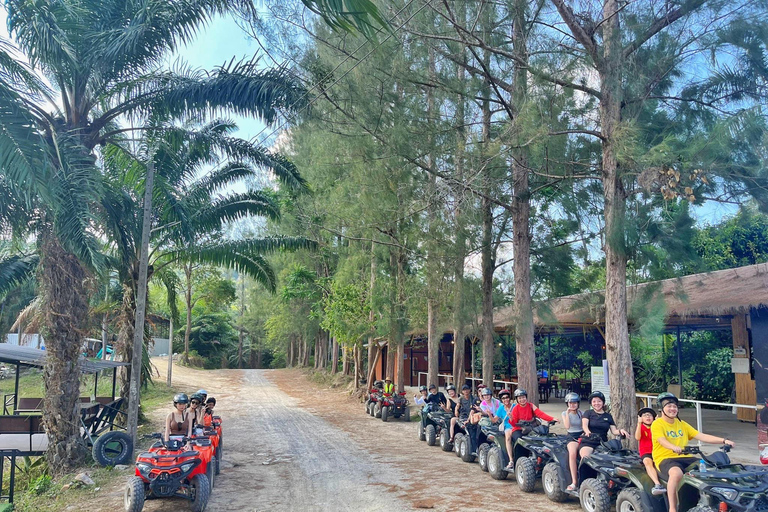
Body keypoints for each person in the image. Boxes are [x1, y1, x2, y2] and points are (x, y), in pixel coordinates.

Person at [652, 392, 735, 512]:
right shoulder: (657, 424)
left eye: (674, 406)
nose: (672, 409)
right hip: (665, 458)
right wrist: (673, 447)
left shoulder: (681, 424)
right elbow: (661, 440)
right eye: (669, 406)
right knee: (676, 474)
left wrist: (723, 440)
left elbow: (700, 435)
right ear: (662, 409)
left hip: (685, 457)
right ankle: (673, 508)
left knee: (709, 468)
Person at [571, 391, 629, 490]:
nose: (596, 403)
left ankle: (608, 483)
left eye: (599, 401)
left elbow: (614, 431)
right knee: (586, 457)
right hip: (589, 441)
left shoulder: (608, 416)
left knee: (611, 460)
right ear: (591, 403)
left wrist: (621, 431)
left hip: (603, 443)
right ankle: (582, 482)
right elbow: (584, 425)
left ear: (603, 403)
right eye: (594, 401)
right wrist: (588, 432)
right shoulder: (588, 413)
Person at [508, 388, 558, 470]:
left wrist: (552, 418)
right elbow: (514, 424)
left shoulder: (530, 405)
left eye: (523, 397)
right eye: (519, 398)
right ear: (517, 399)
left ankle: (540, 460)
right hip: (519, 428)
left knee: (541, 437)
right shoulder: (516, 408)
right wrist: (511, 419)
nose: (522, 399)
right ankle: (518, 462)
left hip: (531, 427)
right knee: (519, 440)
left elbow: (540, 414)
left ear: (526, 397)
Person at [635, 407, 665, 496]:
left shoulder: (656, 426)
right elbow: (637, 437)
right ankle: (657, 484)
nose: (648, 417)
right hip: (646, 451)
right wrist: (639, 424)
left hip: (658, 450)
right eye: (645, 415)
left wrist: (659, 422)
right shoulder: (641, 426)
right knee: (648, 462)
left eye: (650, 415)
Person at [561, 392, 583, 490]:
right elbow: (567, 426)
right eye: (570, 403)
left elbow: (584, 426)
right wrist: (567, 413)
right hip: (571, 436)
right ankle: (574, 481)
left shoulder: (581, 413)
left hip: (581, 434)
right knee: (573, 453)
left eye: (574, 403)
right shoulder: (564, 413)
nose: (572, 405)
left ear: (578, 403)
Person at [496, 389, 516, 464]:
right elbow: (495, 420)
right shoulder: (501, 408)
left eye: (507, 397)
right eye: (503, 398)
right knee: (508, 438)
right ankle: (511, 459)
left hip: (516, 425)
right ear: (501, 400)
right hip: (508, 426)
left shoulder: (514, 406)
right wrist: (488, 414)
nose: (506, 400)